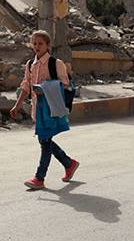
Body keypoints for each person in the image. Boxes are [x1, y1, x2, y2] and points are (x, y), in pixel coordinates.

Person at [9, 30, 80, 190]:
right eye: (34, 43)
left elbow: (66, 84)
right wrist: (17, 105)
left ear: (48, 45)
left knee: (45, 141)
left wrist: (46, 86)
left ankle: (39, 178)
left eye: (40, 43)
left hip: (51, 109)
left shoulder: (56, 63)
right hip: (38, 109)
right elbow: (26, 85)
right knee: (44, 140)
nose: (37, 46)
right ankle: (69, 163)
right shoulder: (30, 64)